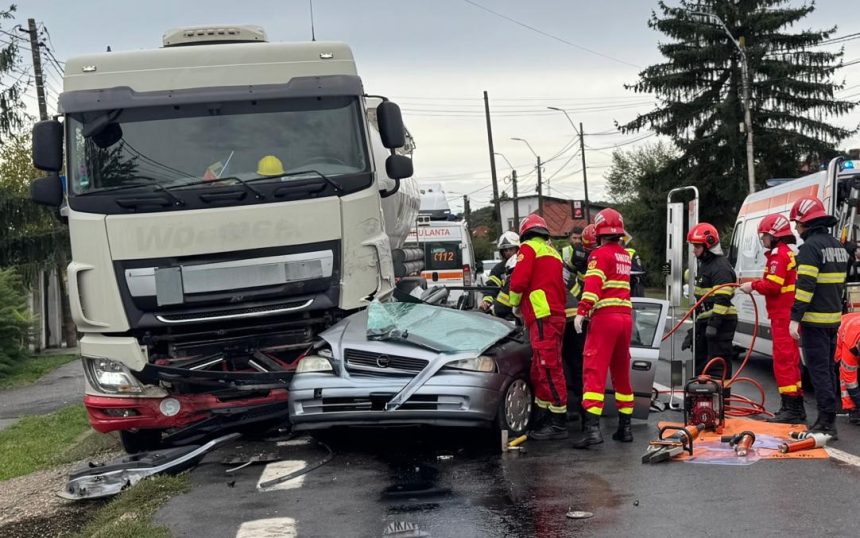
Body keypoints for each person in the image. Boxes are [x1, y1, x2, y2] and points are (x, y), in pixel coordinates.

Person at [571, 209, 634, 448]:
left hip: (605, 318)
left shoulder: (598, 255)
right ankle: (625, 429)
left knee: (594, 373)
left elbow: (593, 286)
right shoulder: (624, 255)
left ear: (599, 232)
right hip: (625, 318)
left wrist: (582, 310)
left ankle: (592, 431)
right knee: (621, 374)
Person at [788, 196, 849, 438]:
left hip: (814, 321)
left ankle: (826, 423)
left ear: (807, 224)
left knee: (819, 371)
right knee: (828, 370)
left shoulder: (810, 249)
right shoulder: (837, 246)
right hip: (833, 320)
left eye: (798, 224)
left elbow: (805, 287)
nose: (796, 228)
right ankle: (828, 417)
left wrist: (795, 318)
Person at [738, 214, 804, 423]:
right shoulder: (786, 253)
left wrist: (753, 286)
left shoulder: (778, 255)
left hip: (782, 316)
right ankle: (794, 406)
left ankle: (791, 409)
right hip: (785, 314)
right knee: (790, 361)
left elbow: (773, 286)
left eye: (765, 236)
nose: (763, 240)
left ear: (773, 235)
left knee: (784, 362)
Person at [508, 214, 568, 440]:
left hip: (542, 315)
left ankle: (558, 423)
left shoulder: (528, 248)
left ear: (524, 233)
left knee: (549, 367)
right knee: (541, 368)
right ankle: (543, 416)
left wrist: (514, 304)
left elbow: (519, 280)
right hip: (553, 315)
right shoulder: (552, 251)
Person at [684, 222, 737, 391]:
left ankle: (722, 404)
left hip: (721, 322)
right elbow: (702, 301)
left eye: (697, 247)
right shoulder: (706, 265)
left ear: (708, 245)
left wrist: (714, 325)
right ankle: (702, 405)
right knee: (701, 367)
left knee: (717, 367)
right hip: (708, 320)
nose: (694, 251)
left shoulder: (720, 267)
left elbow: (723, 298)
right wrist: (693, 331)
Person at [561, 224, 596, 426]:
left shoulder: (595, 258)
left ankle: (583, 416)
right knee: (577, 367)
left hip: (574, 319)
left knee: (575, 366)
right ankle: (584, 415)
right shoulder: (572, 257)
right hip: (579, 318)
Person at [480, 232, 520, 312]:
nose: (508, 252)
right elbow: (491, 287)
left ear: (517, 249)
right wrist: (486, 301)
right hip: (503, 311)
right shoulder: (498, 269)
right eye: (505, 250)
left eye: (511, 249)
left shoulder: (524, 265)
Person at [835, 312, 860, 426]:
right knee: (845, 375)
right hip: (840, 332)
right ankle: (852, 409)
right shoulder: (850, 348)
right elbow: (849, 380)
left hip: (853, 324)